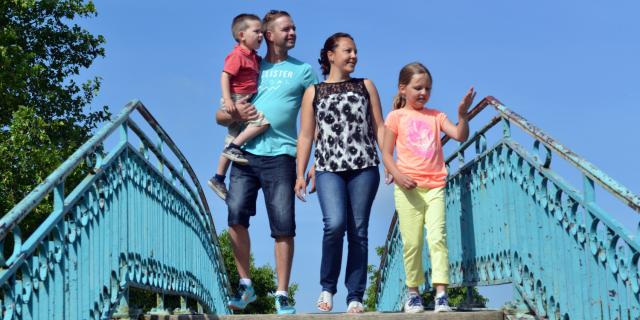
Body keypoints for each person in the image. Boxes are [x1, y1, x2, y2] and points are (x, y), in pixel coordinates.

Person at [215, 10, 318, 314]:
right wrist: (236, 113)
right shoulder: (248, 64)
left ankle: (282, 293)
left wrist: (312, 163)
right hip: (245, 155)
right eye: (287, 29)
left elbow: (316, 123)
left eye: (295, 28)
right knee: (235, 217)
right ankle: (245, 285)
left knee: (283, 226)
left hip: (282, 155)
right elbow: (220, 115)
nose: (293, 33)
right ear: (269, 35)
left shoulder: (304, 71)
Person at [294, 33, 386, 313]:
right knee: (334, 225)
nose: (354, 56)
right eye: (348, 50)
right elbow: (307, 136)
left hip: (364, 167)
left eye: (356, 51)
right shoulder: (314, 92)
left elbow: (380, 127)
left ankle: (355, 295)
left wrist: (390, 162)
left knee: (358, 230)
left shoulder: (365, 86)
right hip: (328, 169)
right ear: (330, 55)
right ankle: (327, 287)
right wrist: (300, 173)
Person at [381, 62, 476, 313]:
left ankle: (441, 294)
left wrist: (462, 115)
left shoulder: (436, 116)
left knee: (437, 239)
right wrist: (398, 175)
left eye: (428, 88)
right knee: (412, 243)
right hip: (408, 188)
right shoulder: (395, 117)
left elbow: (459, 135)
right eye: (418, 88)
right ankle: (413, 293)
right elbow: (387, 154)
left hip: (435, 185)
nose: (423, 93)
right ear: (403, 89)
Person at [208, 13, 270, 200]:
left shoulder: (253, 57)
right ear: (242, 35)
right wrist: (228, 100)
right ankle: (234, 147)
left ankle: (218, 178)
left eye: (262, 32)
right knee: (262, 123)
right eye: (257, 31)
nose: (261, 35)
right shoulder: (238, 55)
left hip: (242, 98)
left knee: (232, 138)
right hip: (236, 99)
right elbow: (225, 75)